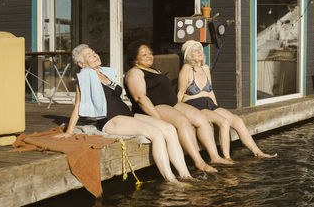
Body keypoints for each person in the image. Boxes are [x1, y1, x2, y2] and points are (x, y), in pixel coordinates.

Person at [54, 44, 192, 183]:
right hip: (111, 119)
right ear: (81, 64)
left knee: (169, 129)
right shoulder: (85, 78)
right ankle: (171, 180)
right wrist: (69, 132)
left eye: (94, 52)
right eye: (89, 56)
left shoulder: (104, 73)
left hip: (127, 114)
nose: (95, 55)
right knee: (155, 133)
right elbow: (78, 105)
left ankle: (186, 175)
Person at [125, 40, 233, 173]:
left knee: (201, 119)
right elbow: (140, 98)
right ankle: (199, 162)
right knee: (183, 122)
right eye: (144, 54)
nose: (149, 56)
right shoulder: (135, 72)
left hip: (173, 104)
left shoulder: (153, 69)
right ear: (134, 59)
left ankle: (215, 157)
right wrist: (156, 118)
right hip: (157, 106)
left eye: (150, 53)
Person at [178, 40, 277, 159]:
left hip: (209, 104)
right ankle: (227, 158)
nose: (199, 51)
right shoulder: (187, 69)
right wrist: (178, 114)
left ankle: (258, 152)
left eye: (199, 49)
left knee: (237, 120)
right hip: (195, 105)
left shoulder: (205, 68)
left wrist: (216, 108)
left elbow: (210, 91)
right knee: (224, 123)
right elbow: (180, 93)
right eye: (194, 50)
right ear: (189, 55)